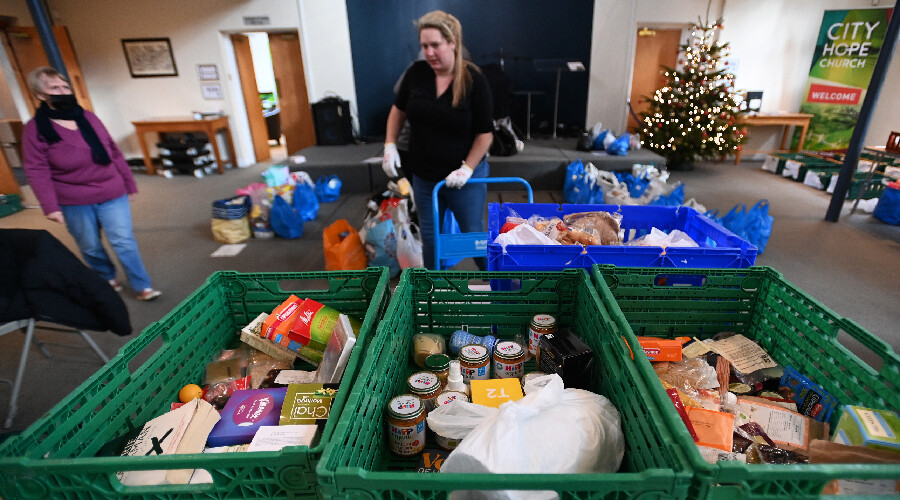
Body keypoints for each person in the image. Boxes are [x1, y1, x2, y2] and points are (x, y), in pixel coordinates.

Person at [22, 67, 161, 301]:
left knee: (123, 240)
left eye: (65, 87)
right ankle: (107, 276)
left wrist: (129, 184)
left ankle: (142, 286)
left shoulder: (88, 117)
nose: (62, 91)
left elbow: (114, 152)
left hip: (111, 190)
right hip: (73, 198)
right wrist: (50, 206)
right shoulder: (35, 129)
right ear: (40, 95)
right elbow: (36, 169)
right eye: (54, 88)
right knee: (90, 246)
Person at [382, 10, 493, 270]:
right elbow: (398, 111)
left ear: (452, 42)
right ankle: (433, 291)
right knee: (431, 239)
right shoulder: (417, 74)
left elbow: (485, 134)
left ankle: (498, 286)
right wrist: (389, 144)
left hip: (465, 176)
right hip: (425, 176)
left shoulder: (474, 80)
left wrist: (467, 168)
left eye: (435, 45)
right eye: (424, 46)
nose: (429, 53)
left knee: (472, 234)